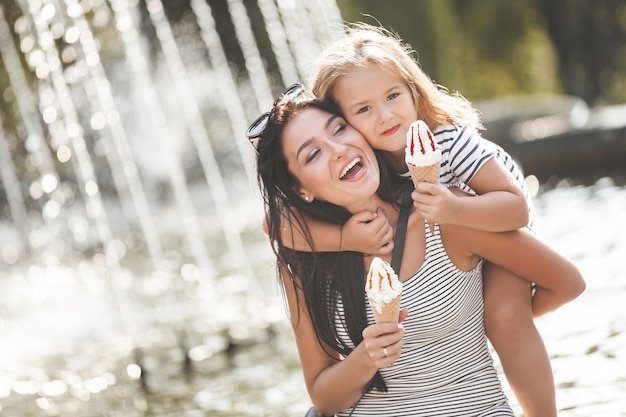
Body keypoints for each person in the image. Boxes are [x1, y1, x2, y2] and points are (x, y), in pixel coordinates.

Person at [248, 90, 585, 416]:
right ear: (300, 190)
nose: (337, 149)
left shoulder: (444, 216)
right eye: (313, 154)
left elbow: (566, 282)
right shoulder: (303, 262)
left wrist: (494, 321)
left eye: (339, 129)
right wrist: (367, 356)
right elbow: (323, 398)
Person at [300, 24, 555, 416]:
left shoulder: (449, 141)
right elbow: (276, 224)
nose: (385, 116)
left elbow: (515, 208)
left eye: (392, 96)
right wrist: (346, 238)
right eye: (363, 109)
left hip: (493, 213)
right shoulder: (366, 160)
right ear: (343, 122)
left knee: (505, 317)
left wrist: (456, 209)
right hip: (449, 234)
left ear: (413, 89)